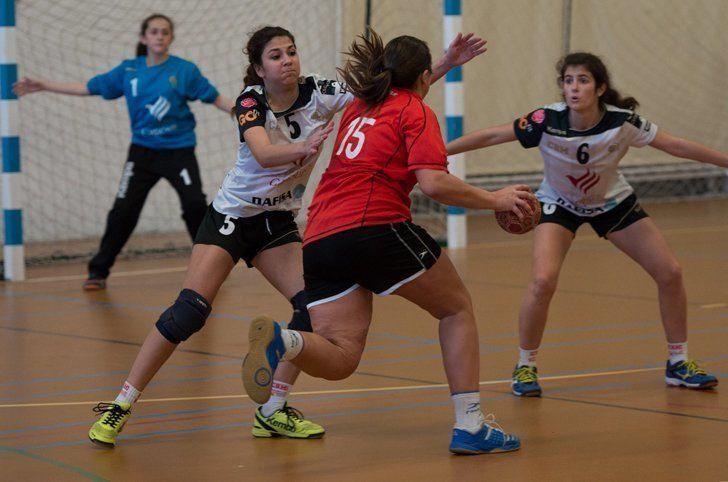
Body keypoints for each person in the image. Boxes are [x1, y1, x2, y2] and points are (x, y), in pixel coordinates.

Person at [87, 26, 489, 447]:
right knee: (189, 311)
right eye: (276, 56)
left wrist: (441, 65)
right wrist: (303, 148)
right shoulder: (251, 100)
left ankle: (272, 410)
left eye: (292, 52)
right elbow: (262, 151)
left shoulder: (321, 92)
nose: (287, 60)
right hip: (232, 218)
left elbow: (386, 94)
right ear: (260, 69)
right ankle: (122, 403)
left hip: (278, 225)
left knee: (308, 310)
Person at [240, 29, 533, 455]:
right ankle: (469, 424)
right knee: (455, 308)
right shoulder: (415, 111)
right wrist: (495, 199)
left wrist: (445, 63)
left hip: (321, 235)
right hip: (375, 225)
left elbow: (409, 84)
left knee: (343, 355)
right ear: (423, 78)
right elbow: (433, 183)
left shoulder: (360, 104)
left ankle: (284, 342)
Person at [445, 52, 728, 397]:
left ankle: (678, 363)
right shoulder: (546, 119)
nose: (574, 88)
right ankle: (525, 367)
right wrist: (441, 151)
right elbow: (491, 137)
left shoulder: (623, 123)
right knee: (542, 281)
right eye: (568, 81)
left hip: (612, 202)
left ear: (600, 88)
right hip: (559, 204)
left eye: (583, 80)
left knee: (671, 272)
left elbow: (675, 144)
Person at [13, 14, 235, 291]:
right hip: (141, 154)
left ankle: (208, 269)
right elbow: (88, 87)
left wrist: (245, 116)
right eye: (153, 32)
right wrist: (45, 86)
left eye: (165, 32)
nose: (159, 36)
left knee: (194, 206)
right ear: (144, 38)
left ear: (171, 38)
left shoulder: (184, 70)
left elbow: (215, 98)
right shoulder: (129, 70)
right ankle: (98, 271)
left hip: (179, 153)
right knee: (123, 210)